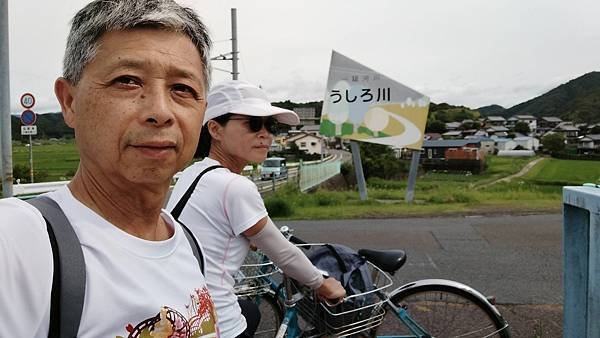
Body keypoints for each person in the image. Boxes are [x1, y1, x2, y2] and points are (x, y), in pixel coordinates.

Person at [0, 1, 220, 337]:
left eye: (182, 89)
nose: (160, 112)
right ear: (69, 101)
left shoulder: (187, 244)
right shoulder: (18, 242)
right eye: (127, 81)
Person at [166, 80, 347, 338]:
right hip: (213, 323)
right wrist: (323, 284)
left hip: (179, 307)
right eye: (252, 124)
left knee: (251, 311)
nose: (265, 134)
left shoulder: (191, 173)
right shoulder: (235, 186)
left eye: (269, 125)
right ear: (215, 129)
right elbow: (283, 253)